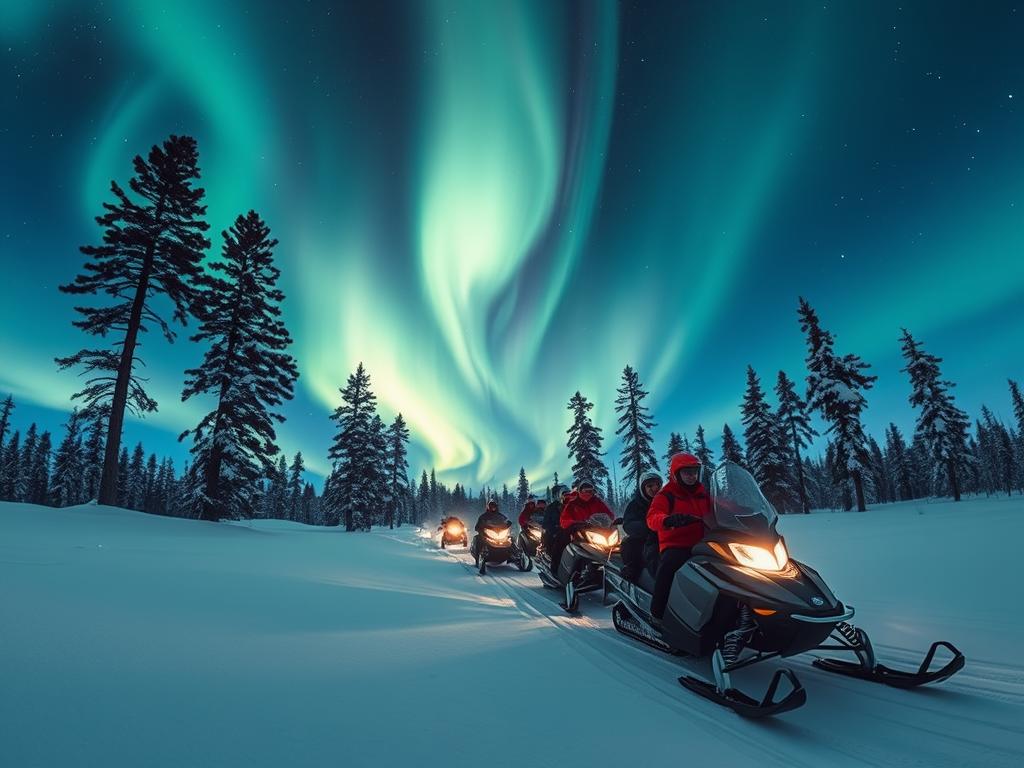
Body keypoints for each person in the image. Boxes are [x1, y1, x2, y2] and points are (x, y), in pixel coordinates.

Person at [647, 453, 712, 620]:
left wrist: (744, 510)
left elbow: (722, 506)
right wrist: (668, 520)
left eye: (694, 472)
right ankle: (657, 613)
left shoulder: (703, 494)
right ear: (676, 474)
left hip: (705, 543)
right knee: (670, 565)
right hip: (676, 544)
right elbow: (652, 517)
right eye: (687, 472)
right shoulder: (666, 495)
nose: (691, 476)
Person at [550, 480, 612, 575]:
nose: (588, 493)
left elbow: (609, 514)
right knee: (560, 541)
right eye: (585, 491)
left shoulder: (597, 502)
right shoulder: (572, 504)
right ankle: (556, 568)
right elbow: (564, 520)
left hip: (596, 531)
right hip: (578, 531)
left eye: (590, 491)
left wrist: (613, 521)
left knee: (614, 545)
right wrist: (575, 523)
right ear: (580, 491)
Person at [620, 470, 662, 582]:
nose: (654, 488)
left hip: (666, 538)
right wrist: (647, 528)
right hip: (644, 539)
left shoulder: (666, 501)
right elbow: (628, 524)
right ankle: (632, 571)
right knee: (629, 544)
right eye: (650, 486)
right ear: (643, 488)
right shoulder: (635, 505)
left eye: (657, 485)